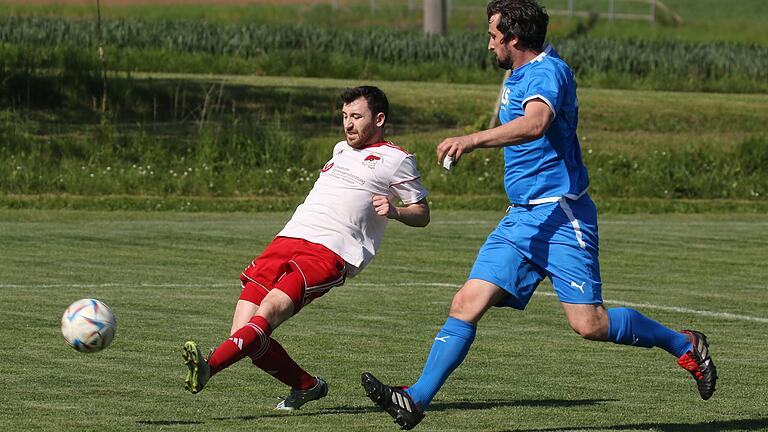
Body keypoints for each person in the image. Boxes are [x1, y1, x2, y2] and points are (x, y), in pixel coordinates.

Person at [361, 1, 717, 429]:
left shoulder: (549, 72)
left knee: (589, 324)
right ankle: (415, 399)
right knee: (466, 303)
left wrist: (472, 140)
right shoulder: (517, 74)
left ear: (514, 38)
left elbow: (536, 124)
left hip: (562, 216)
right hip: (520, 220)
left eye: (493, 34)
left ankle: (684, 344)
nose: (489, 42)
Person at [182, 85, 430, 410]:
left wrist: (396, 211)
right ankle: (307, 386)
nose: (348, 124)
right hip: (287, 238)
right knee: (242, 334)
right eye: (344, 116)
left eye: (356, 116)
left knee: (268, 312)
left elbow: (422, 213)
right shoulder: (340, 148)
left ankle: (208, 367)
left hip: (329, 251)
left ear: (379, 118)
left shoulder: (398, 159)